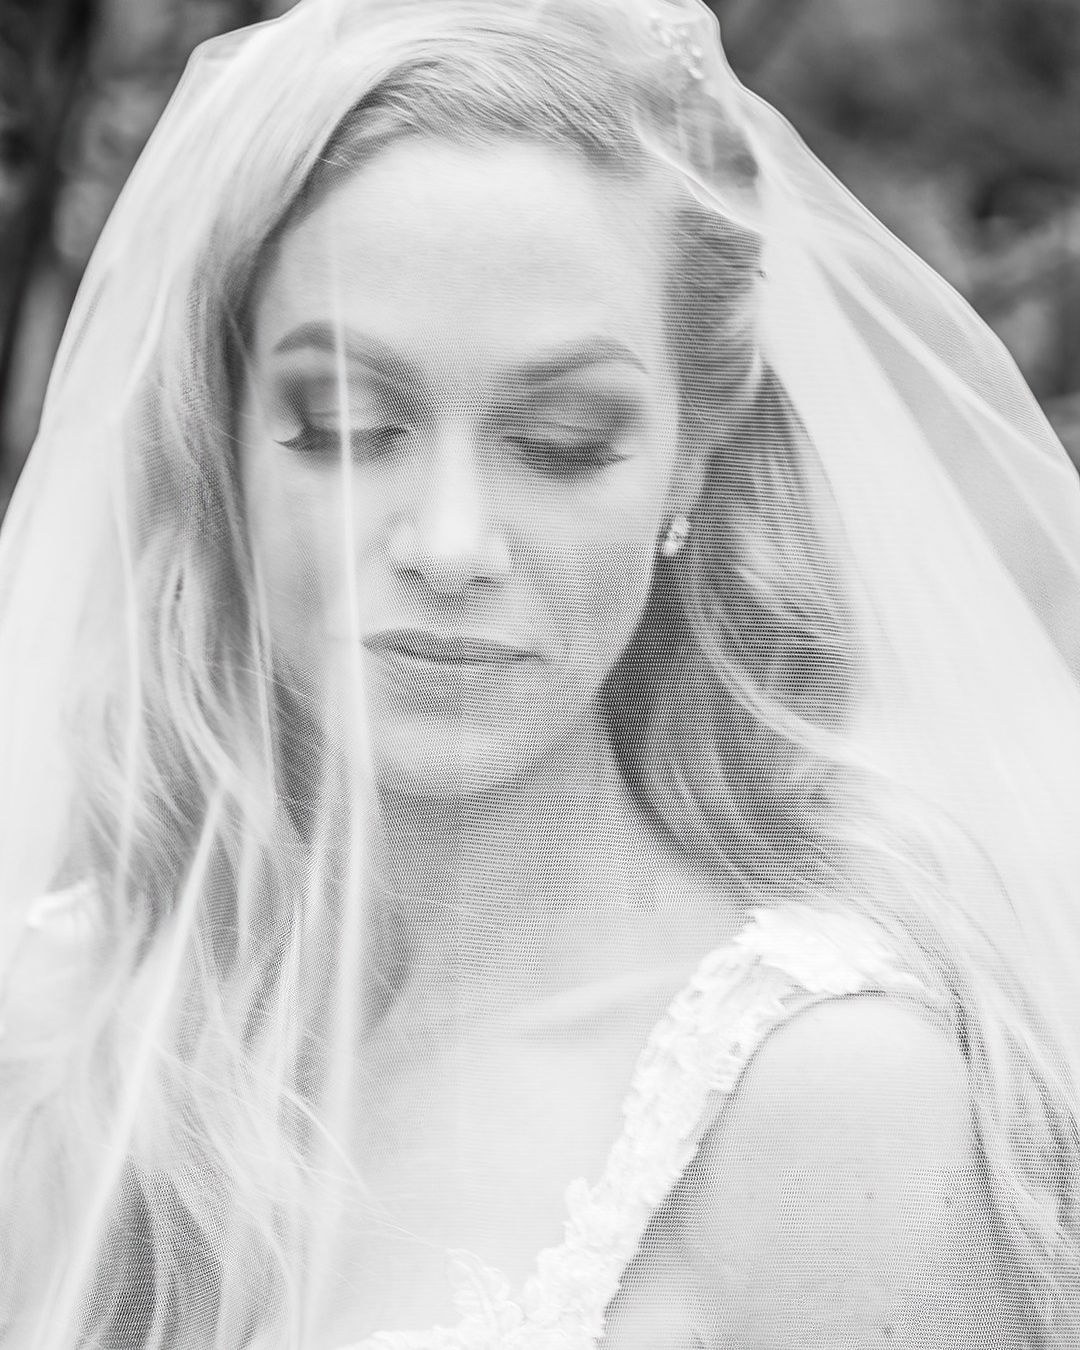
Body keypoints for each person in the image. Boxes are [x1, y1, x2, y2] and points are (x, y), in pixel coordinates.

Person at [1, 0, 1079, 1345]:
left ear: (693, 455)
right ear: (225, 441)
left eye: (562, 440)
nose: (450, 542)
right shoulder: (71, 1017)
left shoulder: (825, 1102)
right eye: (345, 425)